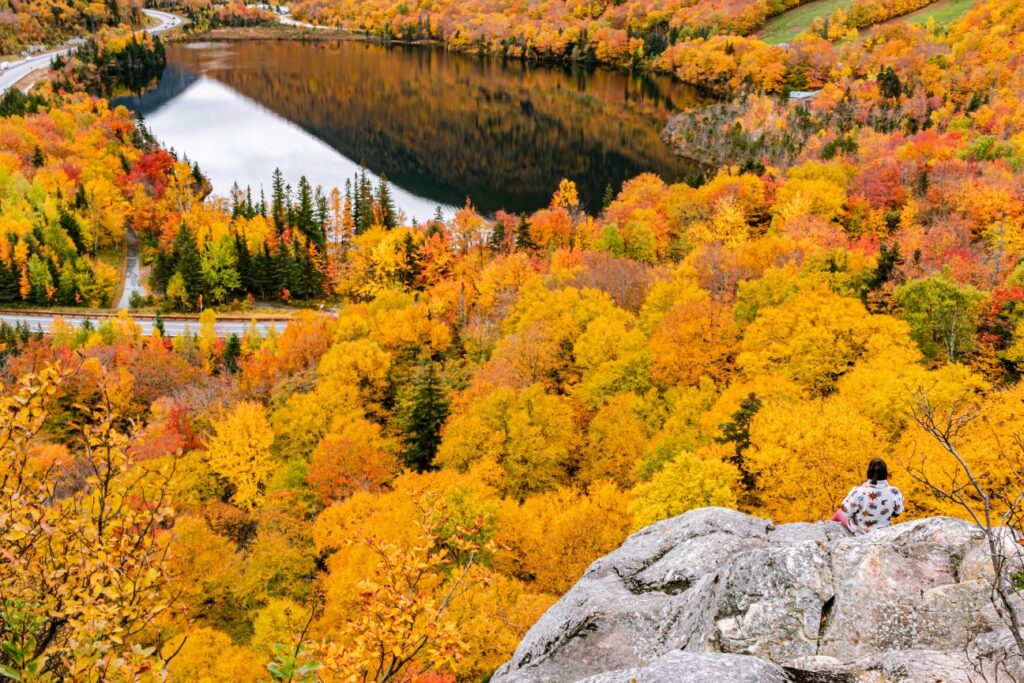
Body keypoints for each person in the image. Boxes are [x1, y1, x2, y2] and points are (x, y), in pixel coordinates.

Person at [831, 458, 905, 534]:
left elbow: (846, 512)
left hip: (861, 531)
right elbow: (897, 513)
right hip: (883, 531)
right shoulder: (895, 492)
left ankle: (826, 530)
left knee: (838, 512)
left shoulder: (858, 491)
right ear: (886, 473)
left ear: (868, 472)